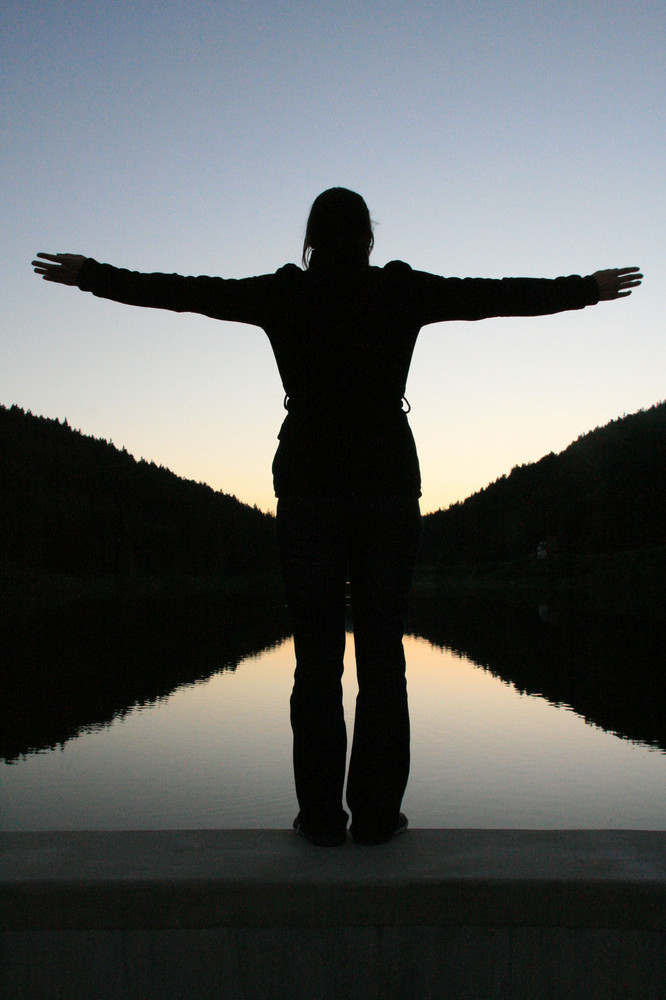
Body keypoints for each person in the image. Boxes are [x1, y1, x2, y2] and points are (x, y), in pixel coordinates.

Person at [32, 187, 642, 845]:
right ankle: (377, 817)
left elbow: (183, 292)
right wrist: (589, 288)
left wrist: (90, 277)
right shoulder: (400, 292)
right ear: (368, 237)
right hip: (384, 490)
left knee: (316, 662)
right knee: (383, 659)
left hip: (309, 492)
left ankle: (322, 819)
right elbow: (493, 296)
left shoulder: (285, 294)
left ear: (312, 238)